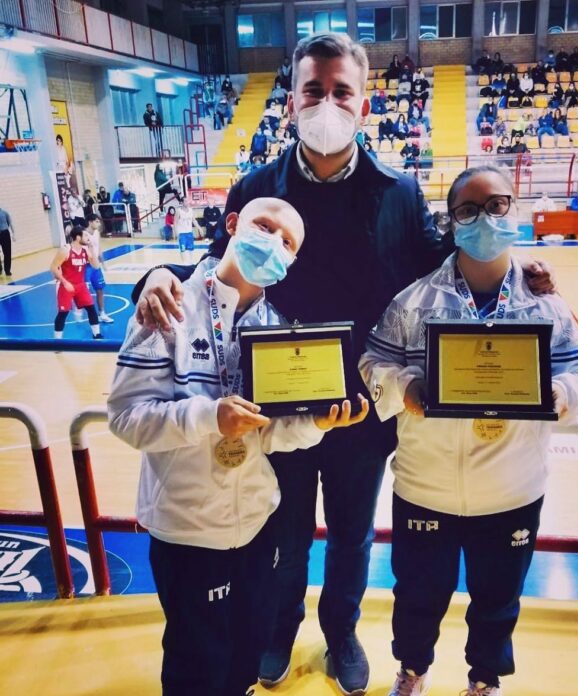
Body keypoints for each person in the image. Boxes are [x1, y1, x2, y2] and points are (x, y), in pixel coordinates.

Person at [130, 33, 554, 696]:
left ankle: (341, 632)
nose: (326, 103)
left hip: (360, 410)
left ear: (363, 103)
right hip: (272, 409)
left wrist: (520, 271)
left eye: (340, 91)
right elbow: (213, 266)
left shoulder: (399, 192)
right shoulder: (256, 189)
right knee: (284, 535)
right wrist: (156, 274)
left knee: (353, 538)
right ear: (292, 100)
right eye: (313, 90)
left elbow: (450, 264)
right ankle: (279, 631)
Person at [108, 196, 369, 696]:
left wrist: (315, 424)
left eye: (287, 241)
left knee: (247, 653)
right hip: (188, 532)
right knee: (195, 665)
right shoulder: (167, 304)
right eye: (264, 226)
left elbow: (267, 433)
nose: (273, 243)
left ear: (292, 260)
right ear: (232, 224)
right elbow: (125, 417)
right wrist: (210, 418)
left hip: (256, 526)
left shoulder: (273, 328)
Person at [359, 164, 578, 696]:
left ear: (515, 206)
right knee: (417, 595)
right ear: (452, 221)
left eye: (496, 204)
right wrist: (405, 388)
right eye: (468, 210)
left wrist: (559, 396)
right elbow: (373, 363)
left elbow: (577, 374)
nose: (484, 218)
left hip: (513, 489)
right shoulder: (413, 302)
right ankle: (412, 670)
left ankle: (485, 680)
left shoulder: (545, 302)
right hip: (426, 487)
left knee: (498, 599)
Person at [50, 226, 103, 340]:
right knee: (63, 313)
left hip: (80, 285)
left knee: (91, 308)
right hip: (66, 285)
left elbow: (96, 266)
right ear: (78, 237)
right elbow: (53, 267)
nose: (88, 237)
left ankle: (97, 335)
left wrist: (92, 248)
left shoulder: (85, 250)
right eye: (85, 235)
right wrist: (65, 282)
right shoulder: (65, 250)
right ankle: (57, 341)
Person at [84, 213, 113, 323]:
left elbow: (99, 248)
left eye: (99, 221)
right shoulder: (83, 234)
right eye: (97, 221)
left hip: (96, 265)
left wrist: (103, 263)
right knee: (84, 291)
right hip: (86, 266)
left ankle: (102, 313)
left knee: (100, 289)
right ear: (90, 222)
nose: (99, 223)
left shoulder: (97, 233)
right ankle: (81, 310)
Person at [174, 200, 202, 264]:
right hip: (181, 233)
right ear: (182, 202)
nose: (187, 202)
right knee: (183, 248)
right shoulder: (178, 211)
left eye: (187, 201)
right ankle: (184, 262)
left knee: (191, 248)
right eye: (186, 201)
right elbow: (175, 222)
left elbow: (194, 220)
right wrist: (176, 233)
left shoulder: (191, 210)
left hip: (189, 232)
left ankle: (191, 261)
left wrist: (199, 228)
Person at [0, 205, 15, 277]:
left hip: (4, 233)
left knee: (7, 252)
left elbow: (10, 223)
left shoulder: (5, 213)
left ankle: (7, 270)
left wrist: (13, 233)